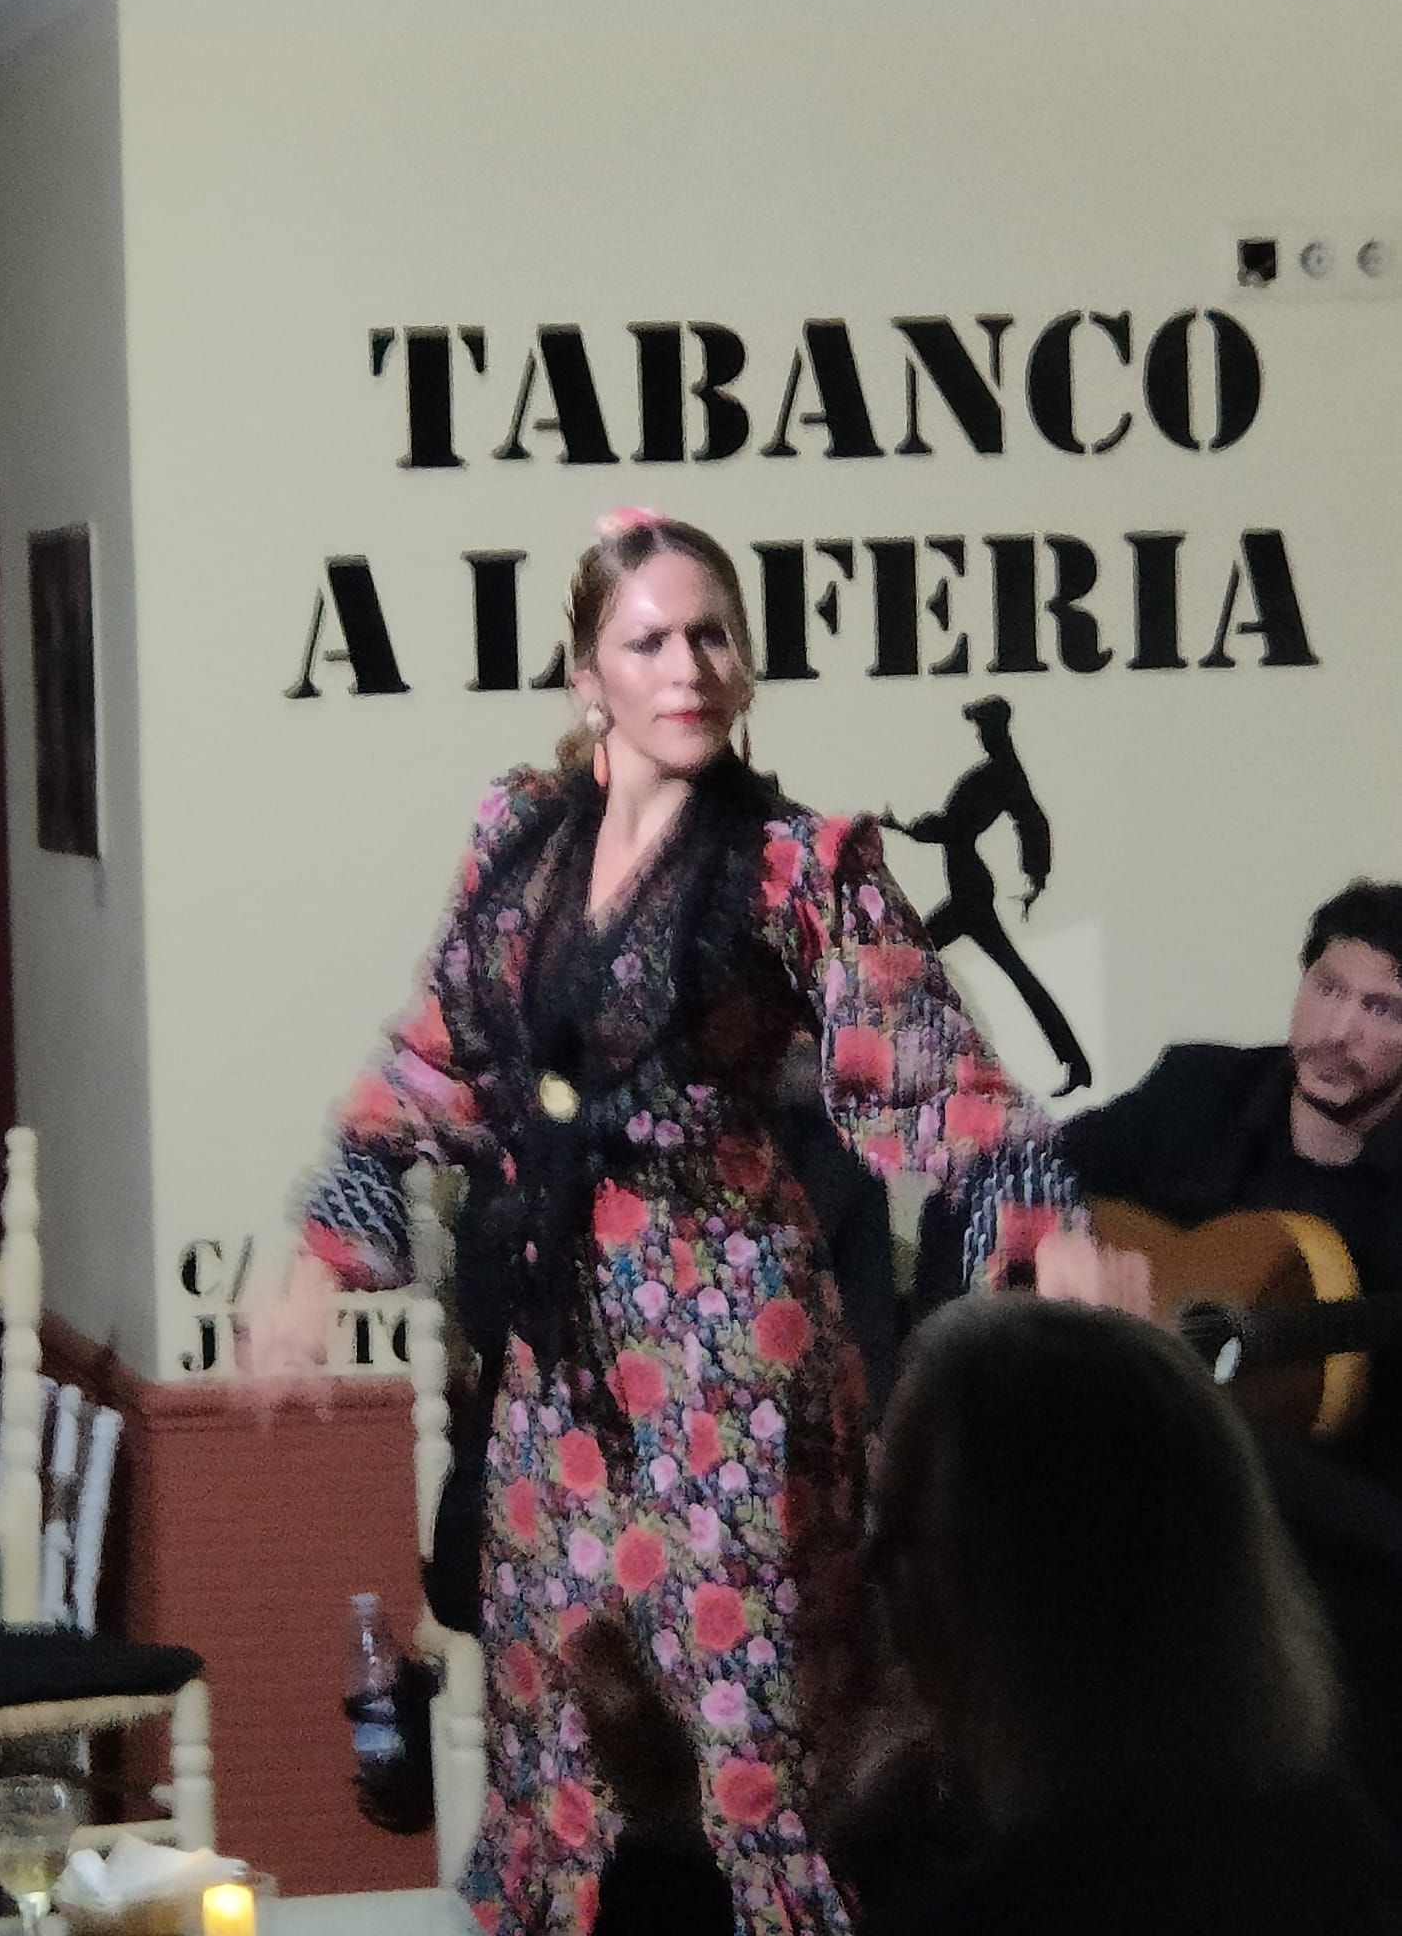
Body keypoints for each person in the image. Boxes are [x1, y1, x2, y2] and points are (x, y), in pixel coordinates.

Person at [297, 508, 1077, 1936]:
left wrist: (1042, 1220)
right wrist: (320, 1248)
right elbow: (436, 1060)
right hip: (564, 1363)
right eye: (649, 639)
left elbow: (932, 1069)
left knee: (750, 1752)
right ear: (586, 674)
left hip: (735, 1359)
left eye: (713, 634)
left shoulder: (795, 866)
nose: (689, 665)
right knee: (567, 1754)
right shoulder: (519, 843)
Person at [568, 1300, 1400, 1936]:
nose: (868, 1582)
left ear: (1029, 1600)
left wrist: (666, 1836)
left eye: (898, 1540)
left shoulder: (1038, 1900)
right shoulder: (1336, 1843)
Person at [1058, 881, 1402, 1840]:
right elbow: (1017, 1181)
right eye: (1326, 989)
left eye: (1382, 1011)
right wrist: (1066, 1254)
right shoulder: (1198, 1092)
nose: (1338, 1032)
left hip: (1328, 1548)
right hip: (1126, 1504)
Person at [882, 696, 1092, 1097]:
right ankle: (1072, 1062)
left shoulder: (1000, 774)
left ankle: (1068, 1062)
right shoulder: (1000, 772)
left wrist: (906, 828)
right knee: (922, 963)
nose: (980, 736)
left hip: (971, 894)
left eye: (983, 728)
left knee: (908, 962)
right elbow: (1026, 819)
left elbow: (972, 825)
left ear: (996, 730)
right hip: (969, 889)